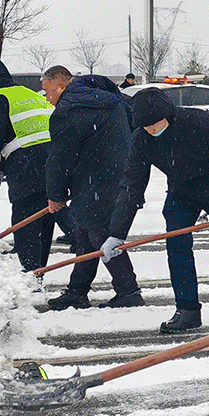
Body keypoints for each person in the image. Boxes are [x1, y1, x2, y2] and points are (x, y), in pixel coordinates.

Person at [105, 86, 209, 334]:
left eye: (155, 123)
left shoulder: (200, 122)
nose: (151, 129)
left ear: (168, 114)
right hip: (181, 193)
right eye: (146, 125)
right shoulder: (142, 139)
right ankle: (187, 310)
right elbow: (131, 185)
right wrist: (116, 232)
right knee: (177, 247)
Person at [40, 66, 141, 310]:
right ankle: (77, 290)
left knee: (100, 233)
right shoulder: (110, 98)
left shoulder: (67, 111)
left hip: (94, 180)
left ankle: (129, 291)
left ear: (61, 86)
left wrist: (55, 195)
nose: (47, 98)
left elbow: (59, 158)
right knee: (86, 233)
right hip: (119, 173)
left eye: (48, 91)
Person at [0, 58, 57, 273]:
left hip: (28, 170)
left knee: (25, 226)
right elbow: (22, 134)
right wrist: (0, 167)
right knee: (44, 224)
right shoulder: (30, 94)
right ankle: (38, 273)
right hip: (56, 167)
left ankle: (31, 276)